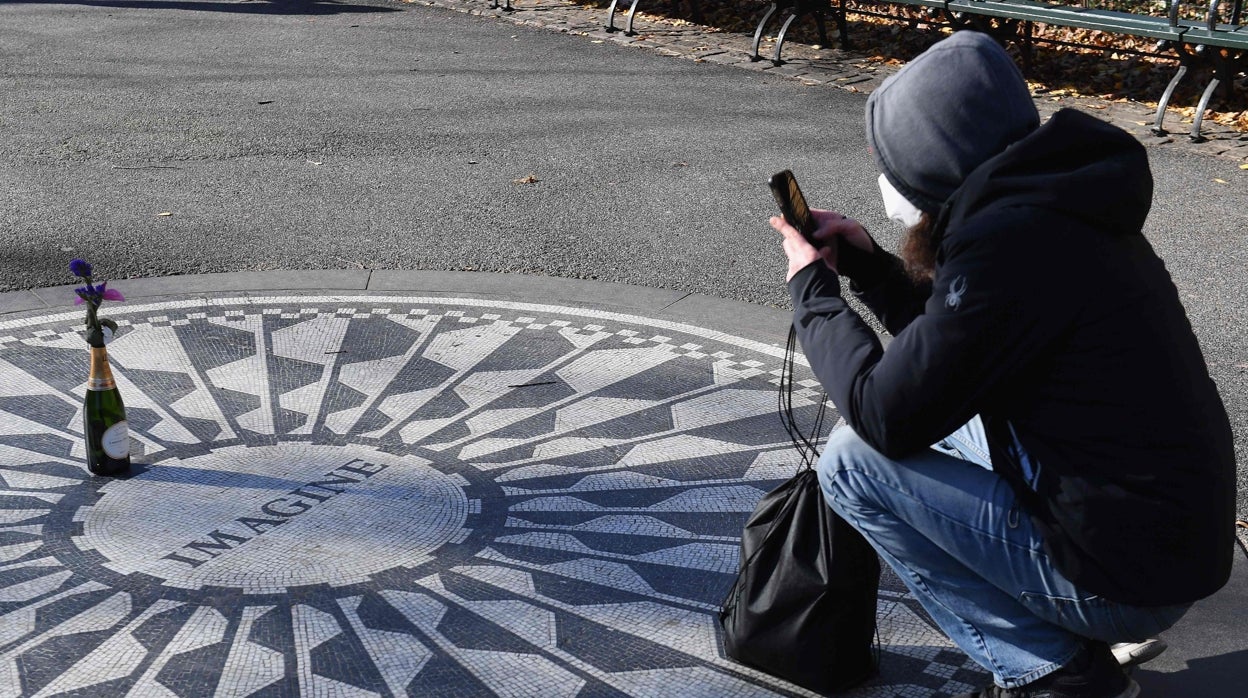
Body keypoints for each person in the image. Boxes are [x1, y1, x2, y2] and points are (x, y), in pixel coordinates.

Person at [771, 30, 1236, 698]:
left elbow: (884, 414)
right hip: (1161, 541)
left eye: (894, 163)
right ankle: (1073, 639)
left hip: (1126, 578)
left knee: (852, 462)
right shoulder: (1055, 205)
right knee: (940, 429)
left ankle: (1053, 671)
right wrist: (871, 267)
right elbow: (960, 356)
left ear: (934, 158)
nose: (889, 183)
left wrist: (811, 290)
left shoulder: (1006, 248)